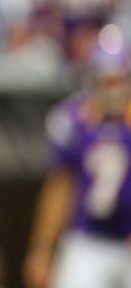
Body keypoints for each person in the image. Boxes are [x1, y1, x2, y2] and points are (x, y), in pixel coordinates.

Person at [23, 25, 131, 288]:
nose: (112, 88)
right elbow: (59, 188)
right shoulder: (73, 120)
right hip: (87, 239)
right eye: (106, 79)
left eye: (118, 79)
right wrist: (42, 249)